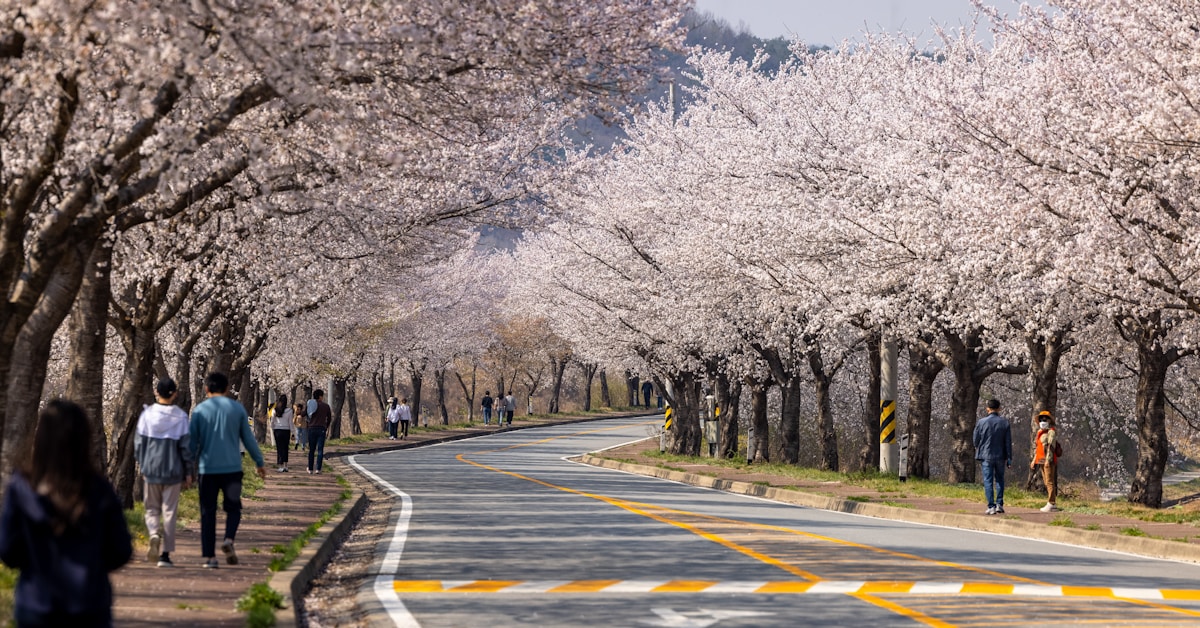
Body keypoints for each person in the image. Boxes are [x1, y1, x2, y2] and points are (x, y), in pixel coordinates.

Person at [0, 400, 132, 626]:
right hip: (89, 603)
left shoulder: (21, 488)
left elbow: (7, 549)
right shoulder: (99, 490)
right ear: (84, 440)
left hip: (36, 601)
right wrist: (93, 564)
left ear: (39, 439)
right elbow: (120, 550)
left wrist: (34, 562)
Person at [189, 372, 267, 568]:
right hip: (232, 469)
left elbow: (192, 443)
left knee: (208, 512)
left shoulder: (199, 411)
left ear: (206, 389)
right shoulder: (237, 409)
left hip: (207, 470)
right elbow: (248, 439)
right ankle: (228, 540)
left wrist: (188, 468)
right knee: (233, 509)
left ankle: (210, 558)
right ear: (226, 389)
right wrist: (259, 462)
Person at [134, 377, 193, 567]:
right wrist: (188, 472)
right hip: (173, 471)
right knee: (169, 511)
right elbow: (186, 448)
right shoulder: (181, 417)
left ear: (156, 392)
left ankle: (153, 534)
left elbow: (138, 445)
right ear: (175, 394)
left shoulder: (147, 415)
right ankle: (165, 555)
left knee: (151, 508)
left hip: (151, 469)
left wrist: (142, 464)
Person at [973, 398, 1013, 515]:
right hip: (1001, 455)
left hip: (986, 455)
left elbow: (975, 439)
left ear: (987, 409)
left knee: (988, 480)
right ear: (999, 408)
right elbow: (1008, 442)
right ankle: (999, 504)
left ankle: (991, 506)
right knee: (1000, 479)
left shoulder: (981, 422)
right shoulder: (1005, 423)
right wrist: (1009, 457)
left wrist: (977, 446)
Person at [1032, 410, 1061, 512]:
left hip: (1048, 460)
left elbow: (1050, 447)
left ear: (1049, 420)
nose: (1042, 421)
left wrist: (1048, 460)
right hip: (1040, 459)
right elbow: (1038, 447)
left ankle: (1051, 503)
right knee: (1046, 481)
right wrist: (1034, 460)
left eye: (1045, 419)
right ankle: (1050, 502)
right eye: (1041, 419)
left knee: (1049, 482)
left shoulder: (1051, 432)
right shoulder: (1040, 432)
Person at [307, 389, 332, 474]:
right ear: (320, 396)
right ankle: (318, 468)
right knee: (320, 450)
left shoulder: (310, 405)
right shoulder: (326, 406)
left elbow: (304, 413)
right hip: (321, 429)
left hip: (311, 429)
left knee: (311, 450)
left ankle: (310, 469)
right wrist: (326, 426)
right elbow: (329, 418)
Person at [269, 396, 294, 472]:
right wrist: (293, 432)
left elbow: (272, 421)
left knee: (279, 448)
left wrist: (272, 428)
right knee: (285, 448)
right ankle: (286, 466)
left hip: (277, 430)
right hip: (286, 430)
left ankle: (280, 465)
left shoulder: (275, 410)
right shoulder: (289, 411)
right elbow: (290, 422)